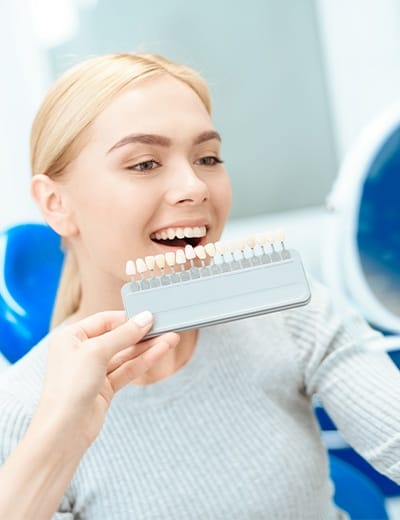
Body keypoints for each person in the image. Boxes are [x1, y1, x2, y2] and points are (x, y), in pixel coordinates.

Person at [0, 52, 400, 519]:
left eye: (207, 157)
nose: (195, 186)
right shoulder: (23, 410)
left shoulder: (289, 310)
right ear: (55, 204)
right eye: (145, 164)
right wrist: (57, 439)